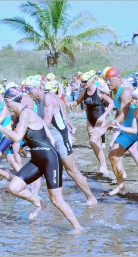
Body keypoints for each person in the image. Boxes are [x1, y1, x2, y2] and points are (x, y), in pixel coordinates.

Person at [0, 87, 83, 232]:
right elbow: (44, 127)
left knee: (56, 200)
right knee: (13, 188)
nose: (6, 107)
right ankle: (38, 202)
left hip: (50, 159)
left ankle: (78, 228)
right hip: (37, 159)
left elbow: (17, 137)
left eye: (6, 104)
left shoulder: (26, 113)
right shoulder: (17, 114)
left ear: (8, 101)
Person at [25, 75, 97, 205]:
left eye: (29, 88)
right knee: (43, 166)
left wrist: (28, 130)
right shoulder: (37, 100)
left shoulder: (48, 97)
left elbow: (46, 122)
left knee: (72, 170)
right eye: (26, 89)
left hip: (60, 137)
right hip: (50, 137)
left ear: (37, 87)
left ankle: (91, 197)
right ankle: (37, 197)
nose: (27, 92)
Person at [91, 67, 138, 195]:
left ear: (119, 78)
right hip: (126, 129)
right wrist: (113, 125)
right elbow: (119, 112)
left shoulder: (125, 92)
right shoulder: (112, 93)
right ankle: (121, 186)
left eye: (111, 80)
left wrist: (106, 128)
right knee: (113, 155)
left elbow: (124, 114)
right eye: (106, 80)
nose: (108, 83)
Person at [69, 71, 114, 175]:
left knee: (93, 142)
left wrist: (104, 116)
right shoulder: (84, 92)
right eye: (82, 82)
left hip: (100, 120)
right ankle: (103, 166)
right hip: (90, 120)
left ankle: (103, 166)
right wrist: (72, 103)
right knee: (95, 143)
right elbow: (77, 101)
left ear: (91, 80)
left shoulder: (99, 91)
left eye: (85, 81)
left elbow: (111, 103)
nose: (83, 83)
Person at [111, 87, 138, 186]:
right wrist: (119, 126)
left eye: (136, 98)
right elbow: (134, 130)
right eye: (132, 98)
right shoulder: (136, 112)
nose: (133, 102)